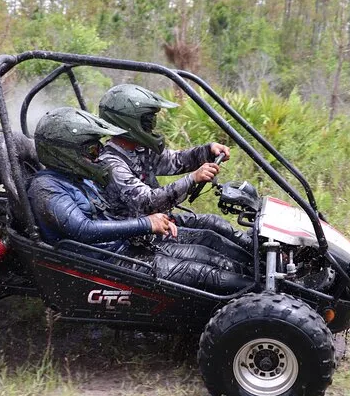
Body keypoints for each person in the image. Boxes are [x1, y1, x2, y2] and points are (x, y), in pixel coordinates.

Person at [27, 107, 252, 294]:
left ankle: (256, 278)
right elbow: (83, 230)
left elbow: (114, 210)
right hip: (106, 264)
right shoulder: (47, 187)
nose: (98, 156)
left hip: (126, 245)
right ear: (64, 153)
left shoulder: (77, 176)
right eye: (93, 150)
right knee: (203, 273)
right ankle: (257, 298)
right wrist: (146, 223)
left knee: (208, 256)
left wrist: (147, 225)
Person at [97, 84, 253, 262]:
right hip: (139, 236)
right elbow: (148, 202)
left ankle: (260, 257)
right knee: (209, 243)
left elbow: (175, 160)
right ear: (129, 123)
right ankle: (251, 273)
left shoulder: (138, 149)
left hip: (159, 222)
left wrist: (207, 151)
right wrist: (192, 179)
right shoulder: (112, 163)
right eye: (148, 120)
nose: (152, 125)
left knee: (214, 222)